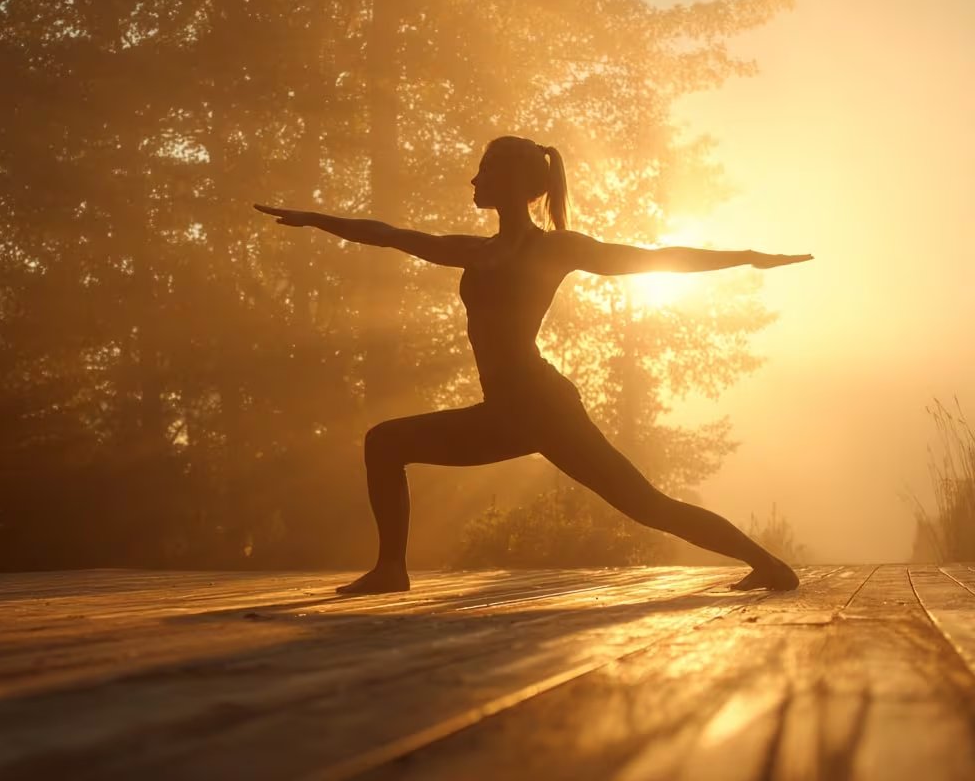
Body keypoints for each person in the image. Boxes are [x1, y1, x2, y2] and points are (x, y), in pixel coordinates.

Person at [253, 135, 811, 594]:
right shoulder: (473, 250)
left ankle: (769, 565)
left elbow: (653, 260)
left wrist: (746, 258)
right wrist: (316, 218)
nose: (473, 181)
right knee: (385, 442)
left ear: (517, 183)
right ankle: (391, 569)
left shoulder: (556, 249)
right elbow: (392, 236)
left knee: (646, 505)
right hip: (504, 412)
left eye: (484, 171)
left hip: (545, 409)